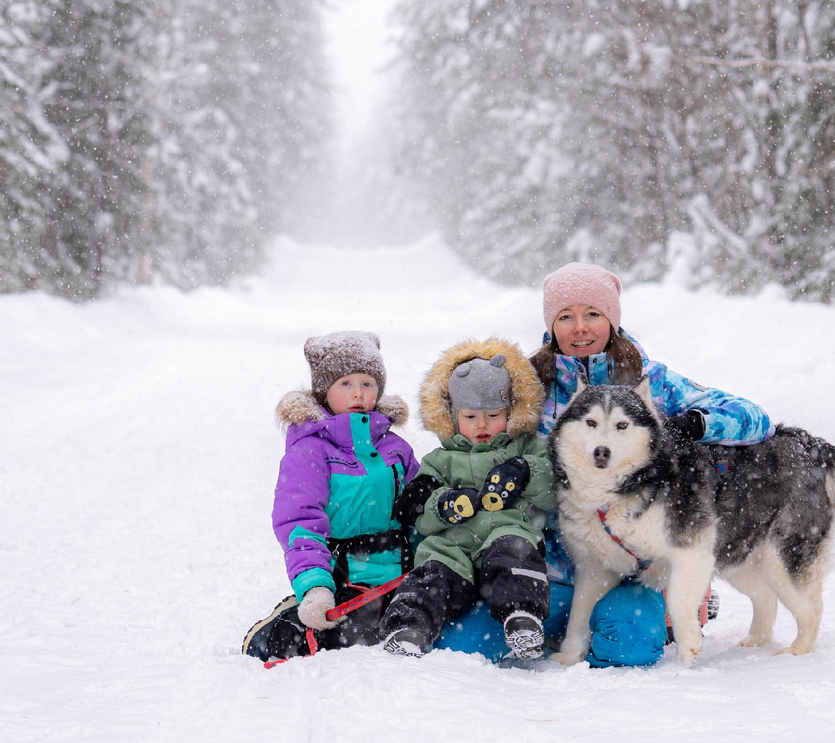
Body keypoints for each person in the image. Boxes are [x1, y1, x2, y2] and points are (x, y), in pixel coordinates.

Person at [439, 262, 775, 667]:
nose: (580, 327)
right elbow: (469, 438)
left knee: (628, 644)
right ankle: (568, 625)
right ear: (552, 326)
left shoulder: (650, 381)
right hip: (549, 569)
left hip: (641, 564)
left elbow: (754, 418)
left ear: (612, 321)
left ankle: (669, 611)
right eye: (566, 317)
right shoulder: (529, 387)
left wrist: (692, 424)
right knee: (464, 646)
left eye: (593, 314)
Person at [242, 331, 419, 663]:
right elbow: (300, 524)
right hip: (345, 579)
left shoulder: (396, 448)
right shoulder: (309, 451)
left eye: (367, 383)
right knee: (355, 644)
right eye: (346, 383)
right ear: (325, 391)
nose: (358, 393)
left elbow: (420, 513)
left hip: (403, 574)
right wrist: (316, 587)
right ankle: (289, 620)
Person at [379, 338, 555, 660]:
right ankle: (408, 629)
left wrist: (524, 471)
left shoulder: (523, 447)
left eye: (493, 414)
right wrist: (443, 504)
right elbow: (417, 508)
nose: (482, 426)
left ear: (511, 411)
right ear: (452, 416)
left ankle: (523, 618)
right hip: (452, 544)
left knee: (516, 555)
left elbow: (554, 486)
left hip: (505, 530)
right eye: (471, 417)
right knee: (431, 574)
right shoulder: (439, 460)